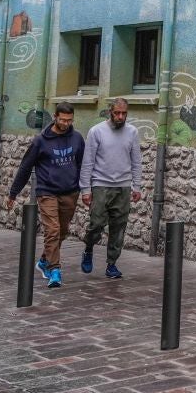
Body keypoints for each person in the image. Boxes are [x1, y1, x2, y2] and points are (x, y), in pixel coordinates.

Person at [6, 102, 85, 289]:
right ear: (55, 117)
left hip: (70, 192)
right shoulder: (40, 141)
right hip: (47, 192)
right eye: (63, 120)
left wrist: (86, 189)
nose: (66, 123)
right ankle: (54, 270)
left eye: (69, 120)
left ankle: (43, 260)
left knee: (62, 232)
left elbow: (83, 165)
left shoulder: (77, 138)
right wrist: (13, 193)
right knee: (53, 230)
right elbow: (25, 167)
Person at [79, 97, 142, 279]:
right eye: (117, 113)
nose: (121, 117)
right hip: (100, 185)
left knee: (119, 227)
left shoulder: (132, 132)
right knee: (96, 224)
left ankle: (112, 264)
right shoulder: (97, 131)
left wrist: (136, 186)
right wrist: (85, 190)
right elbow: (88, 161)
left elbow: (136, 161)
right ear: (110, 112)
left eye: (124, 113)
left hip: (123, 186)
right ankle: (89, 248)